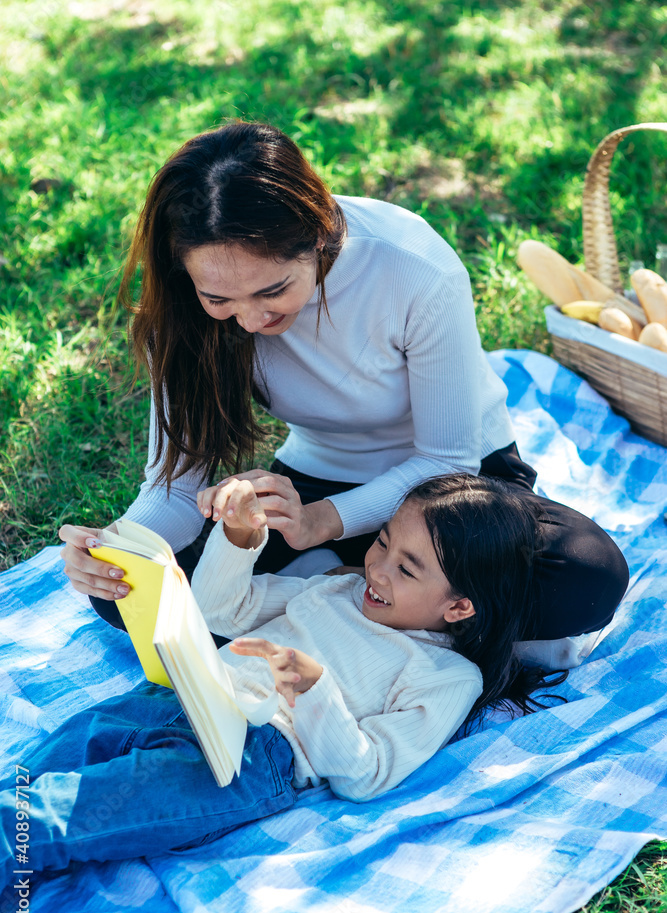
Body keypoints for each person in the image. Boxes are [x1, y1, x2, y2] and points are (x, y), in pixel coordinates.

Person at [57, 120, 628, 641]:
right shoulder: (184, 312)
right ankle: (387, 602)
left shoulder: (411, 267)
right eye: (220, 299)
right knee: (128, 596)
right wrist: (120, 546)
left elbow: (445, 460)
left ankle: (334, 592)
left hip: (455, 487)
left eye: (272, 290)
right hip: (320, 475)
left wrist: (320, 523)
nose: (253, 321)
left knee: (584, 577)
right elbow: (176, 488)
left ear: (319, 230)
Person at [1, 473, 566, 888]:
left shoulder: (447, 676)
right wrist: (240, 541)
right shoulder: (335, 589)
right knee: (35, 766)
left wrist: (311, 688)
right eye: (383, 542)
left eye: (406, 568)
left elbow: (367, 776)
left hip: (247, 756)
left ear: (460, 607)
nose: (377, 568)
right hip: (181, 693)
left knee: (50, 817)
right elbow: (220, 611)